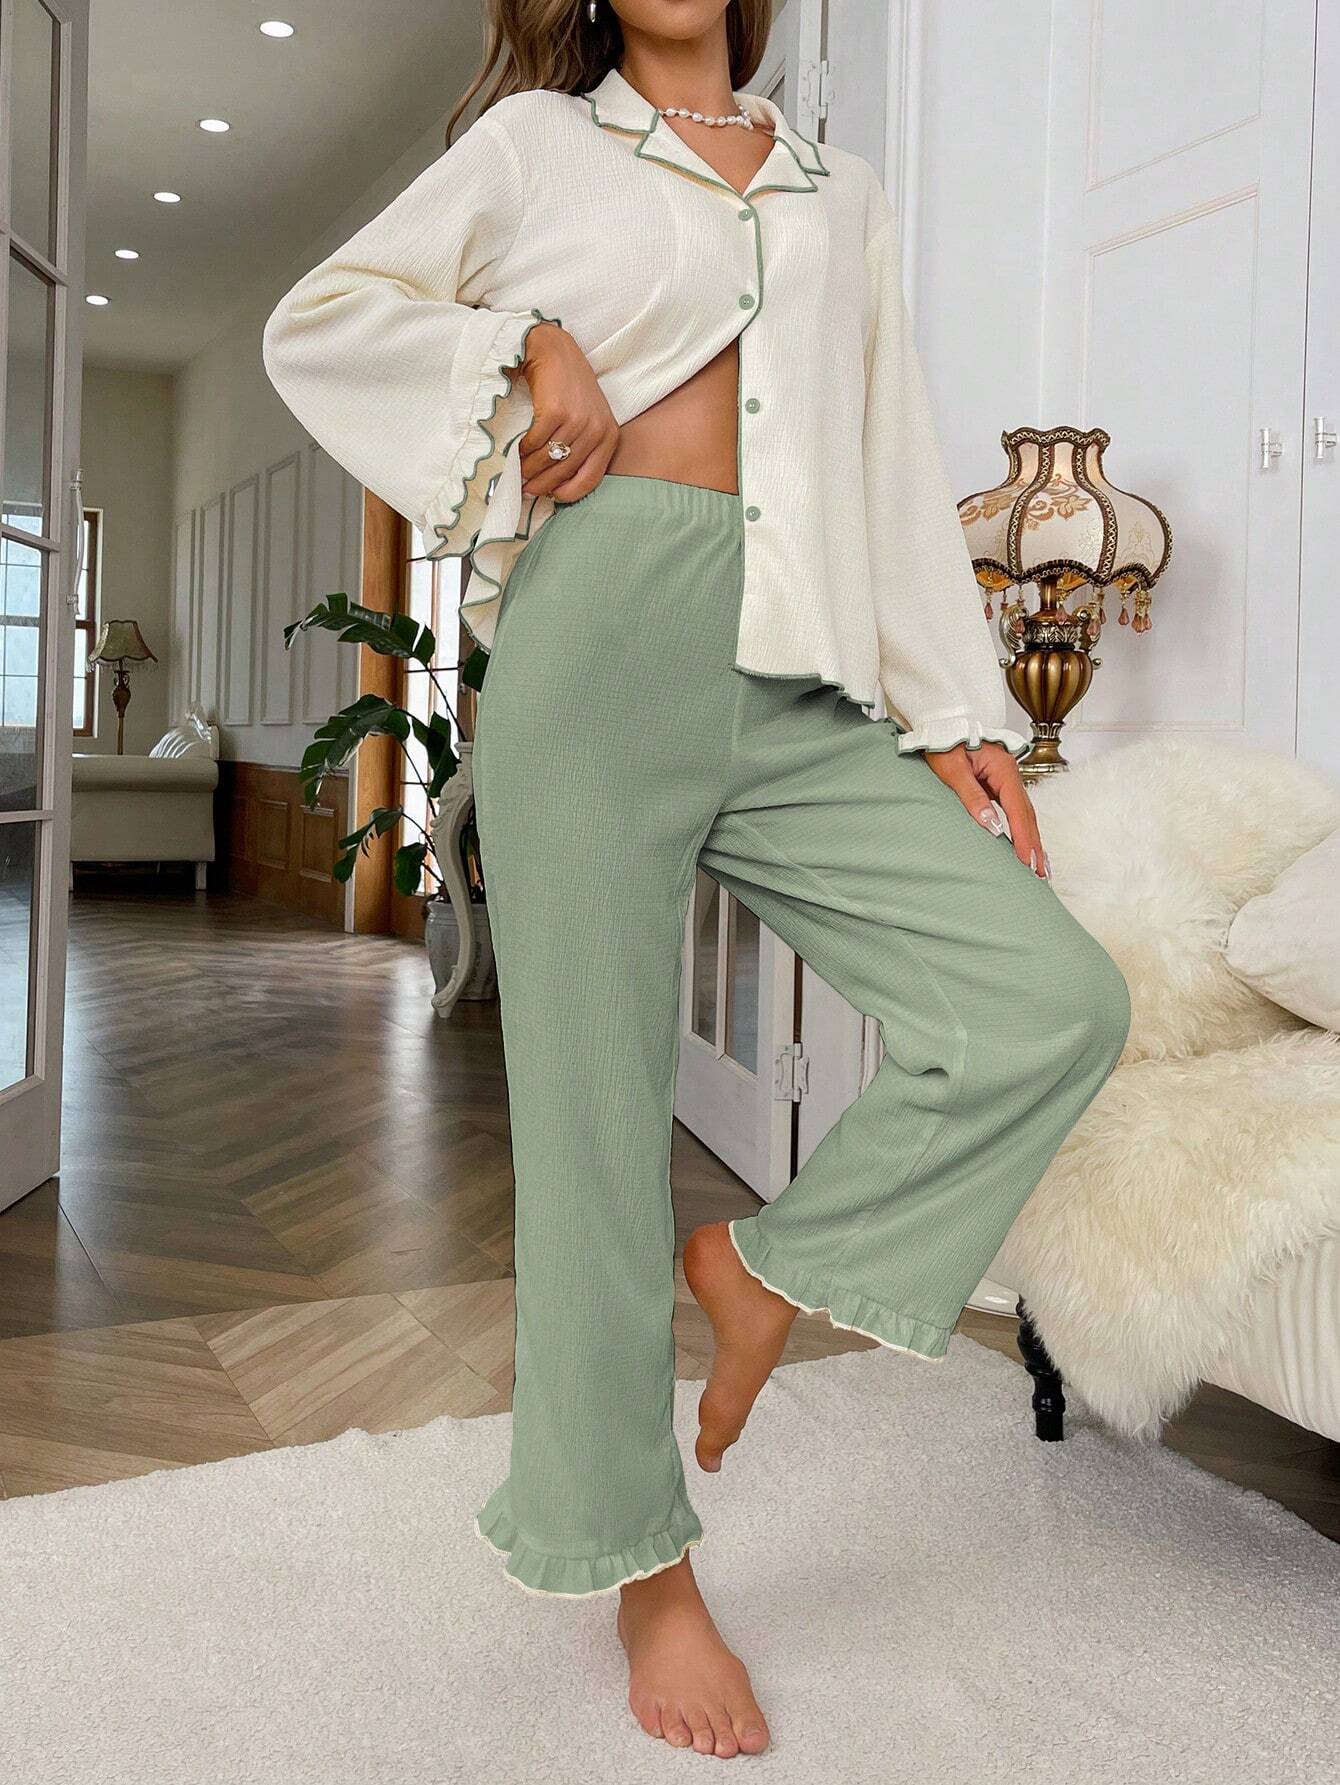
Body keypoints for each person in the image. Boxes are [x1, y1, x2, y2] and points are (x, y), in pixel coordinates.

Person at [263, 0, 1130, 1759]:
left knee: (1048, 997)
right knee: (593, 1144)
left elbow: (887, 452)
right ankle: (644, 1571)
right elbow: (322, 320)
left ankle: (765, 1265)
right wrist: (528, 348)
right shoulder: (537, 149)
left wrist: (957, 706)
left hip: (794, 666)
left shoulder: (837, 188)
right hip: (598, 649)